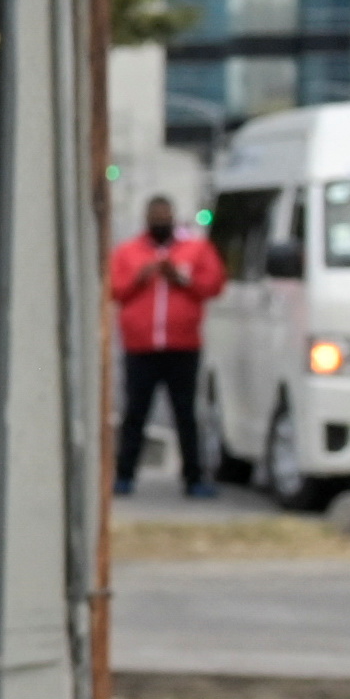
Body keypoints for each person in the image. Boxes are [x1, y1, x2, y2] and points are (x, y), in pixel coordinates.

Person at [111, 192, 229, 495]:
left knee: (186, 414)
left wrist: (181, 278)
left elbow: (214, 285)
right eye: (155, 217)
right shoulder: (129, 252)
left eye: (165, 217)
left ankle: (193, 478)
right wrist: (142, 276)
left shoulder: (195, 249)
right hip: (141, 347)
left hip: (182, 345)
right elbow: (114, 289)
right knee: (135, 414)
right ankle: (124, 476)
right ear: (147, 219)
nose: (160, 222)